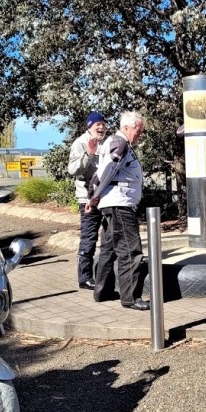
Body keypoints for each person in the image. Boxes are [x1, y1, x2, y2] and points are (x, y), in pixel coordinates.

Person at [85, 111, 149, 311]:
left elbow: (99, 173)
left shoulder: (116, 143)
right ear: (128, 127)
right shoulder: (119, 143)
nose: (140, 134)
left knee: (109, 248)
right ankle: (130, 298)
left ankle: (102, 292)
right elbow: (107, 171)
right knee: (130, 250)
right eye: (139, 130)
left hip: (113, 204)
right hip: (120, 204)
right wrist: (93, 198)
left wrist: (94, 197)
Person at [67, 111, 108, 290]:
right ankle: (84, 277)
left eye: (103, 124)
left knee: (109, 236)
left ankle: (105, 273)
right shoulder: (80, 143)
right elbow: (73, 170)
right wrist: (89, 155)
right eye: (96, 124)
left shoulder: (107, 142)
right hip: (88, 199)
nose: (101, 127)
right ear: (89, 126)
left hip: (107, 197)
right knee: (89, 238)